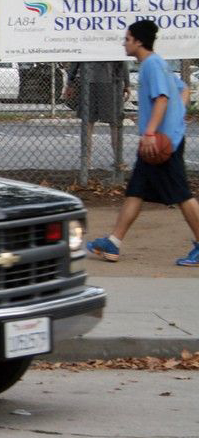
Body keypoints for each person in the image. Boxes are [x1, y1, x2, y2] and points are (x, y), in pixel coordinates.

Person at [86, 19, 199, 266]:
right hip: (160, 142)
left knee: (182, 194)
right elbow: (183, 91)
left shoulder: (152, 65)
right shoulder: (157, 64)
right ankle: (113, 243)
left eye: (127, 39)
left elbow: (161, 98)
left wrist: (151, 132)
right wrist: (175, 120)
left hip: (161, 144)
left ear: (138, 41)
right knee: (135, 191)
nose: (124, 43)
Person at [63, 60, 128, 168]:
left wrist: (70, 82)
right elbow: (122, 60)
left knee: (88, 122)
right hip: (110, 81)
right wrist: (127, 83)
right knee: (114, 123)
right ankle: (118, 159)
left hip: (90, 80)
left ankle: (86, 161)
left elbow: (76, 61)